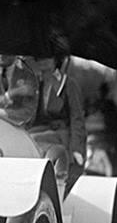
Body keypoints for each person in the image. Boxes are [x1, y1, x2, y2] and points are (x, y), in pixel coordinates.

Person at [29, 58, 86, 188]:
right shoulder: (35, 83)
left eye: (48, 55)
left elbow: (77, 118)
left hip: (60, 135)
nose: (42, 60)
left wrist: (77, 148)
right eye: (39, 55)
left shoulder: (68, 84)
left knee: (33, 139)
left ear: (56, 58)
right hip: (38, 133)